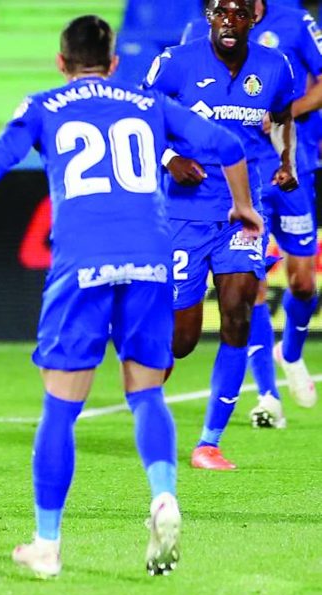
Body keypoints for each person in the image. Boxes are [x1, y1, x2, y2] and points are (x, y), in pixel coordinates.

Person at [0, 15, 261, 578]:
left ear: (61, 62)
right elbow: (226, 143)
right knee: (146, 395)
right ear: (114, 62)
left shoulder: (44, 106)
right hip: (150, 263)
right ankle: (163, 496)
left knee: (61, 407)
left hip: (83, 265)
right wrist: (243, 205)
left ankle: (47, 544)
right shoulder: (148, 102)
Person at [144, 0, 297, 470]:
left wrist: (287, 161)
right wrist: (170, 160)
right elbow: (140, 117)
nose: (229, 20)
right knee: (181, 341)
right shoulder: (175, 63)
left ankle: (208, 442)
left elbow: (285, 117)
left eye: (238, 12)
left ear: (254, 18)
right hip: (185, 215)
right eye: (220, 11)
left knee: (237, 312)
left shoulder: (275, 68)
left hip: (242, 214)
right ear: (208, 16)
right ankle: (144, 363)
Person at [182, 0, 321, 427]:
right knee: (251, 287)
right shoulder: (202, 31)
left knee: (301, 283)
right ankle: (267, 395)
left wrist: (283, 115)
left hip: (292, 167)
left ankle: (291, 353)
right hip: (238, 180)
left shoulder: (295, 21)